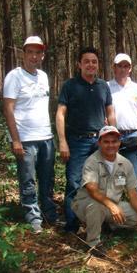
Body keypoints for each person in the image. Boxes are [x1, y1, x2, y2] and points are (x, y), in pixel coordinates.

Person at [56, 47, 116, 233]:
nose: (91, 64)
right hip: (76, 141)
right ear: (79, 64)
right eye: (87, 61)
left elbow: (110, 112)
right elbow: (60, 114)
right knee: (74, 182)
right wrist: (63, 141)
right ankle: (72, 225)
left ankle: (103, 221)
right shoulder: (70, 86)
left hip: (100, 142)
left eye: (94, 61)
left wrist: (113, 137)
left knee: (103, 182)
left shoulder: (103, 86)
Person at [3, 36, 57, 233]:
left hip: (46, 137)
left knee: (47, 178)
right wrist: (15, 139)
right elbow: (8, 109)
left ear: (42, 55)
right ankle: (33, 217)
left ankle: (49, 214)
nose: (34, 56)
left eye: (38, 52)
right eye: (30, 52)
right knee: (28, 180)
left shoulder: (43, 76)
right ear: (23, 54)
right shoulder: (14, 77)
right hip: (25, 139)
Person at [71, 126, 137, 257]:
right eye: (106, 142)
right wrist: (112, 206)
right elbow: (92, 191)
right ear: (99, 143)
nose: (111, 145)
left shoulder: (125, 164)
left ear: (119, 143)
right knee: (96, 206)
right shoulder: (92, 161)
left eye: (114, 141)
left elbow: (132, 192)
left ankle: (109, 225)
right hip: (87, 204)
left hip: (111, 205)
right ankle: (93, 244)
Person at [107, 53, 137, 179]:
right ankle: (117, 199)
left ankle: (135, 199)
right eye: (120, 66)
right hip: (113, 137)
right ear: (114, 67)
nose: (123, 69)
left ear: (130, 68)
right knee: (116, 176)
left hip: (132, 137)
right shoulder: (107, 87)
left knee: (133, 177)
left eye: (126, 66)